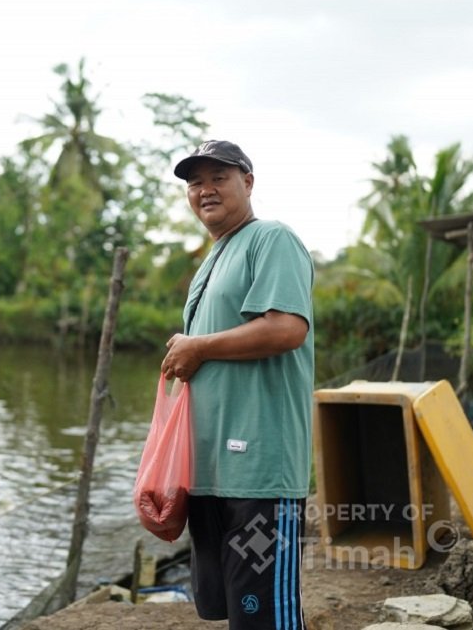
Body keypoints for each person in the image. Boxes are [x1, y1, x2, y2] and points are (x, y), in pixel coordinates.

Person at [160, 140, 315, 630]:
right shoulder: (213, 258)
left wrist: (199, 347)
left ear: (247, 182)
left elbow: (287, 328)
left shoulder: (272, 239)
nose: (205, 190)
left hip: (261, 475)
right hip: (210, 472)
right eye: (194, 182)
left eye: (219, 178)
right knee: (231, 612)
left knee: (267, 619)